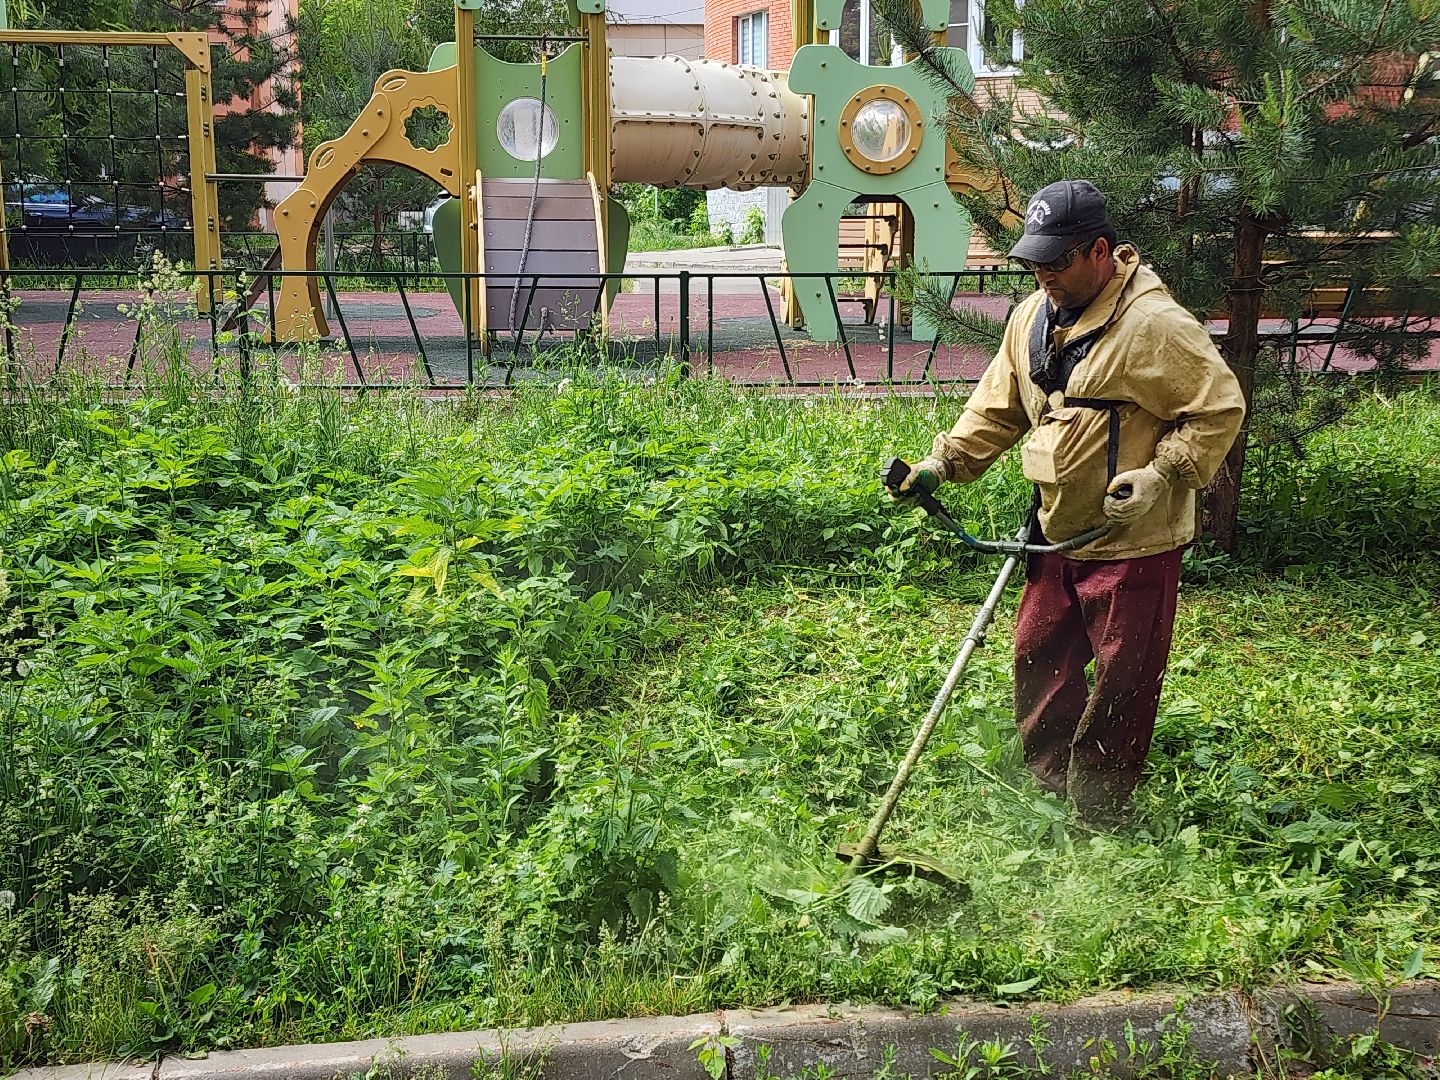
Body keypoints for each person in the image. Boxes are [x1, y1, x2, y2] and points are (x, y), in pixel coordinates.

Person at [896, 179, 1246, 824]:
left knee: (1123, 678)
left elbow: (1218, 407)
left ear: (1102, 252)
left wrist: (1162, 473)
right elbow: (996, 408)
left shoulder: (1154, 326)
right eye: (1035, 260)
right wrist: (941, 464)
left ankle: (1101, 806)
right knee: (1039, 657)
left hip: (1132, 539)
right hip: (1053, 530)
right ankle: (1052, 784)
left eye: (1057, 261)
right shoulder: (1031, 317)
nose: (1043, 274)